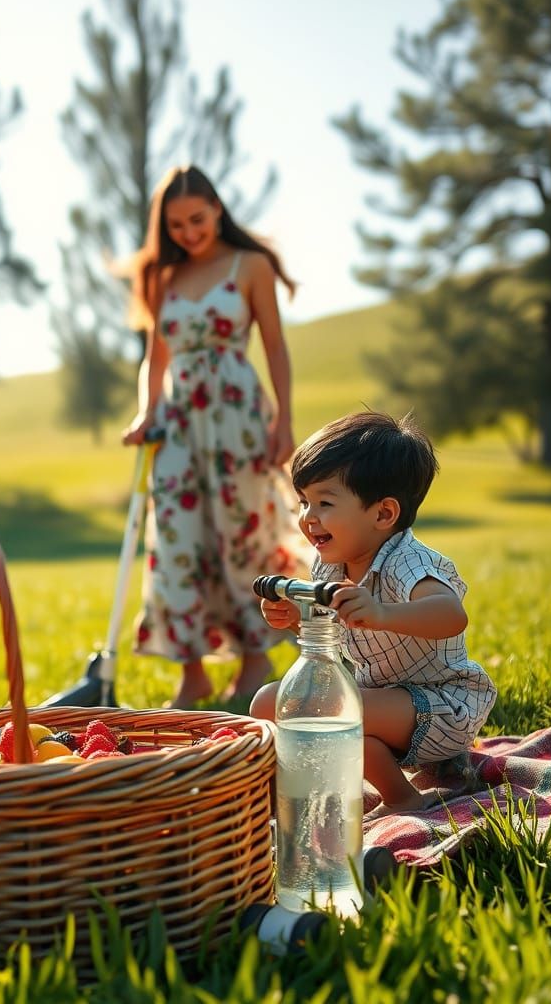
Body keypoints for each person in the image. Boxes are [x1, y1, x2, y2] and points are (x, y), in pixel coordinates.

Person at [122, 164, 308, 709]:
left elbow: (274, 347)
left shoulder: (249, 266)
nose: (189, 232)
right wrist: (144, 412)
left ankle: (256, 657)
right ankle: (192, 672)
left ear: (217, 210)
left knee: (242, 531)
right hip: (177, 423)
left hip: (236, 416)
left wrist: (285, 421)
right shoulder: (162, 278)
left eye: (197, 219)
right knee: (179, 539)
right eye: (176, 225)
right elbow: (154, 360)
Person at [251, 411, 497, 815]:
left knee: (308, 705)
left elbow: (451, 614)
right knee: (282, 708)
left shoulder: (407, 561)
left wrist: (381, 612)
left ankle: (399, 800)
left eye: (325, 503)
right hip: (386, 706)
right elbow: (332, 627)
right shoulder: (330, 566)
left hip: (442, 708)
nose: (308, 518)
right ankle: (398, 796)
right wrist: (295, 618)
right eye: (304, 502)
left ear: (383, 514)